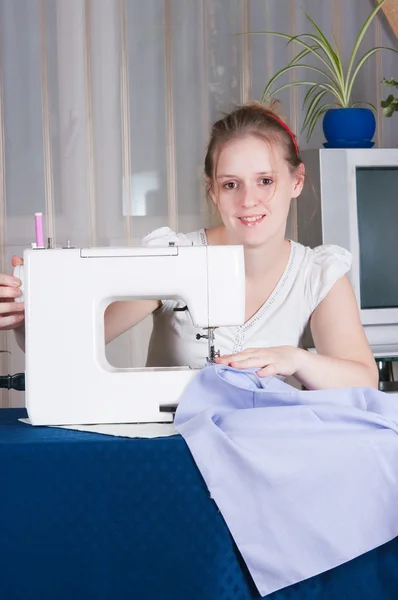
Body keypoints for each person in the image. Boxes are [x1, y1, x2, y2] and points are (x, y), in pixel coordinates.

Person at [0, 102, 378, 390]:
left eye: (265, 180)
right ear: (213, 190)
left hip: (266, 452)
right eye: (231, 184)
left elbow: (363, 380)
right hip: (171, 451)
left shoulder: (317, 274)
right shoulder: (172, 259)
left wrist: (294, 359)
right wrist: (24, 320)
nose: (248, 200)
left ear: (297, 181)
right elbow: (67, 344)